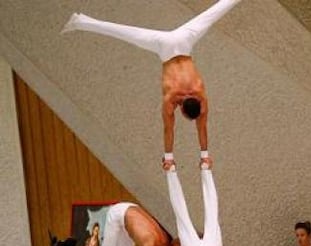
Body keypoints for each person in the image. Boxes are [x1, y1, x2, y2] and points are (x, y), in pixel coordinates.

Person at [61, 0, 242, 168]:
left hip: (185, 41)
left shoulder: (200, 94)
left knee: (211, 15)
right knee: (128, 34)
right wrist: (169, 158)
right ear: (183, 109)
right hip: (165, 48)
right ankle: (80, 22)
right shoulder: (170, 99)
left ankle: (80, 21)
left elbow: (199, 126)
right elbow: (168, 129)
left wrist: (204, 155)